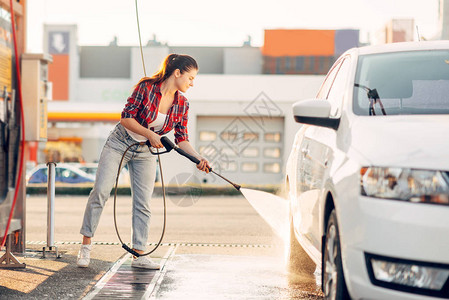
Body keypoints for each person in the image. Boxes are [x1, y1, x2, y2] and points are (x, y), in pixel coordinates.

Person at [77, 54, 210, 269]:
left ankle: (139, 254)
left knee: (143, 202)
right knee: (101, 191)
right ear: (178, 73)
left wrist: (198, 158)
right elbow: (126, 117)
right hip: (120, 143)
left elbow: (182, 139)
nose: (192, 83)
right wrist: (150, 134)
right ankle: (85, 246)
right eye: (191, 78)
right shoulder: (146, 87)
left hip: (146, 152)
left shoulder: (183, 104)